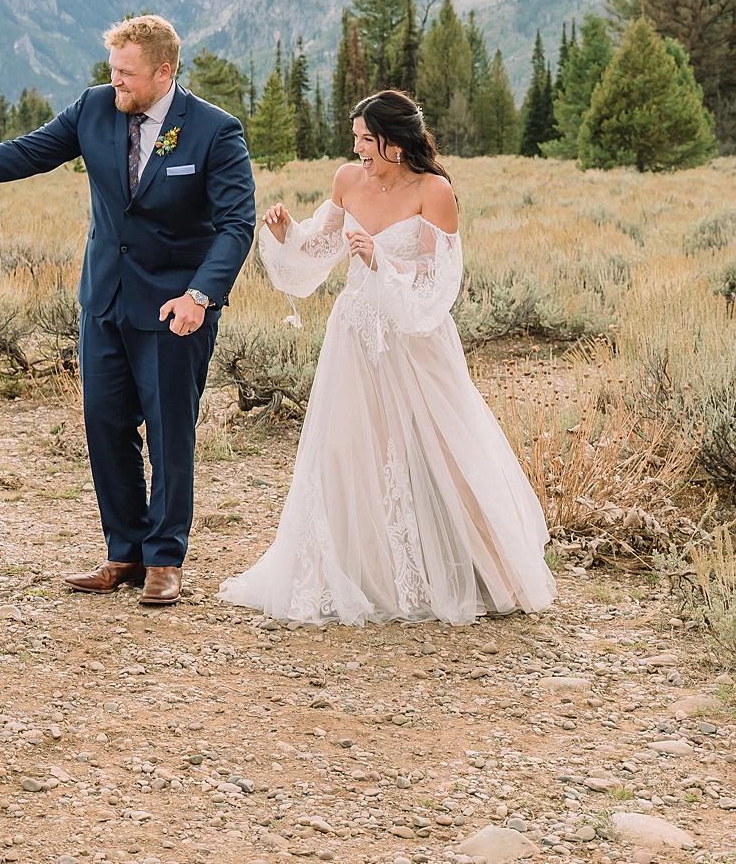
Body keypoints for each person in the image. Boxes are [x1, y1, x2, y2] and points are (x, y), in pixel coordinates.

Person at [0, 15, 255, 606]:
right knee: (104, 424)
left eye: (126, 74)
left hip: (178, 310)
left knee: (170, 433)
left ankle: (165, 559)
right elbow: (30, 152)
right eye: (111, 70)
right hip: (103, 300)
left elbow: (235, 226)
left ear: (162, 72)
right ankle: (123, 552)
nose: (114, 82)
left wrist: (200, 295)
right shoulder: (95, 108)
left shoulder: (214, 132)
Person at [219, 89, 555, 626]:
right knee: (349, 448)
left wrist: (383, 264)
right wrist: (287, 235)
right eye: (355, 140)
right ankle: (364, 575)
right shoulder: (347, 181)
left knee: (441, 448)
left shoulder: (434, 191)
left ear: (395, 143)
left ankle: (484, 571)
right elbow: (321, 250)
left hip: (415, 341)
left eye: (365, 141)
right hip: (354, 336)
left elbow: (437, 281)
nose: (357, 150)